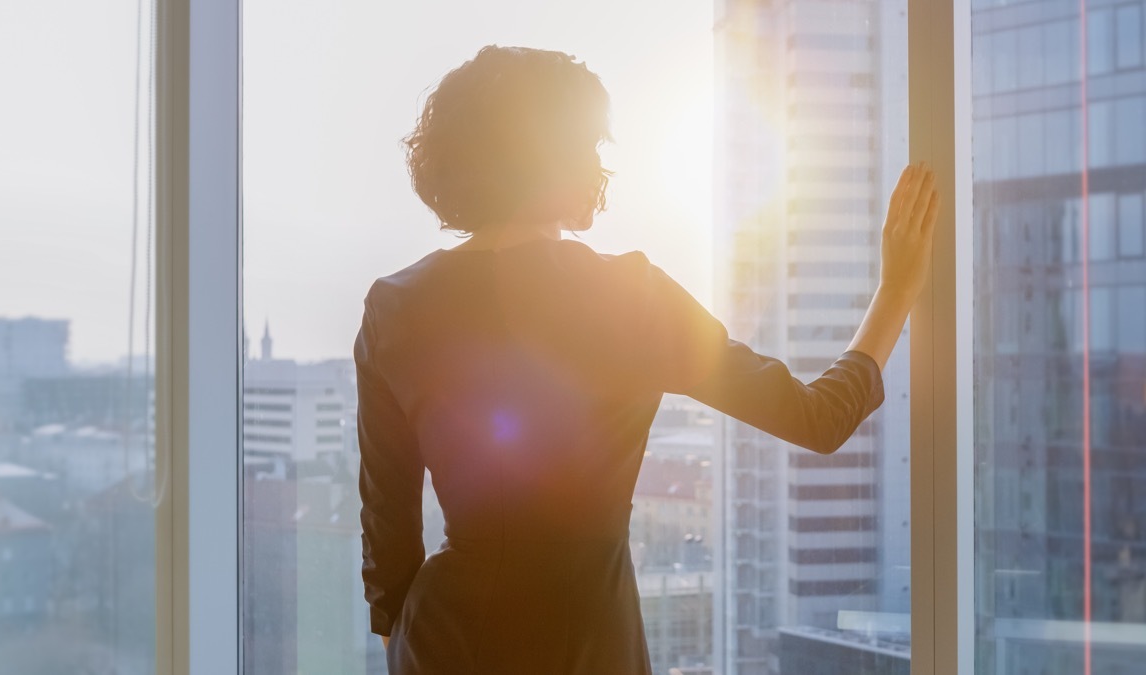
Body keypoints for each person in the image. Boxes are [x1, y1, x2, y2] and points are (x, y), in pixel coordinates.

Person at [355, 45, 939, 674]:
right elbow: (819, 419)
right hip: (585, 640)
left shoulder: (395, 306)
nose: (597, 167)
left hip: (442, 640)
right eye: (589, 147)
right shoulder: (629, 296)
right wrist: (896, 292)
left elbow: (388, 538)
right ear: (557, 159)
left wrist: (407, 635)